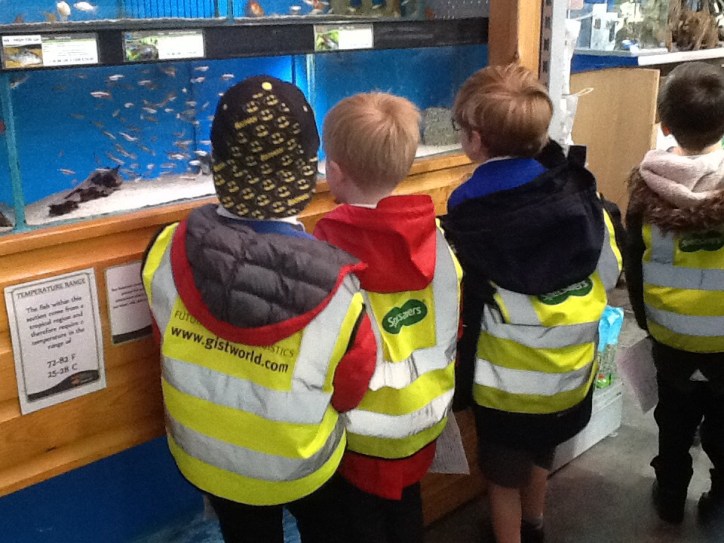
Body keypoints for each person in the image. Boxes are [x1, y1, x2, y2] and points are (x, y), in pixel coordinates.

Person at [141, 75, 377, 543]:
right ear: (307, 172)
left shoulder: (166, 248)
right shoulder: (340, 287)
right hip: (300, 463)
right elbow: (350, 391)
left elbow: (162, 342)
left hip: (206, 458)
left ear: (217, 165)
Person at [441, 64, 621, 543]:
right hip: (569, 372)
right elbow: (609, 269)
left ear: (475, 140)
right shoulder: (579, 190)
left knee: (502, 477)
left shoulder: (470, 208)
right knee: (542, 453)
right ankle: (535, 523)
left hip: (507, 385)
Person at [313, 92, 462, 543]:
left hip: (360, 431)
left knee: (360, 521)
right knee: (405, 507)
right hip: (424, 415)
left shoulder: (327, 247)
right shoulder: (435, 238)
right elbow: (452, 322)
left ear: (334, 171)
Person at [624, 61, 724, 525]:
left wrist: (650, 324)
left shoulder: (647, 190)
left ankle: (669, 497)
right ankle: (719, 500)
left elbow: (634, 266)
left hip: (670, 337)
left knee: (674, 420)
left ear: (664, 124)